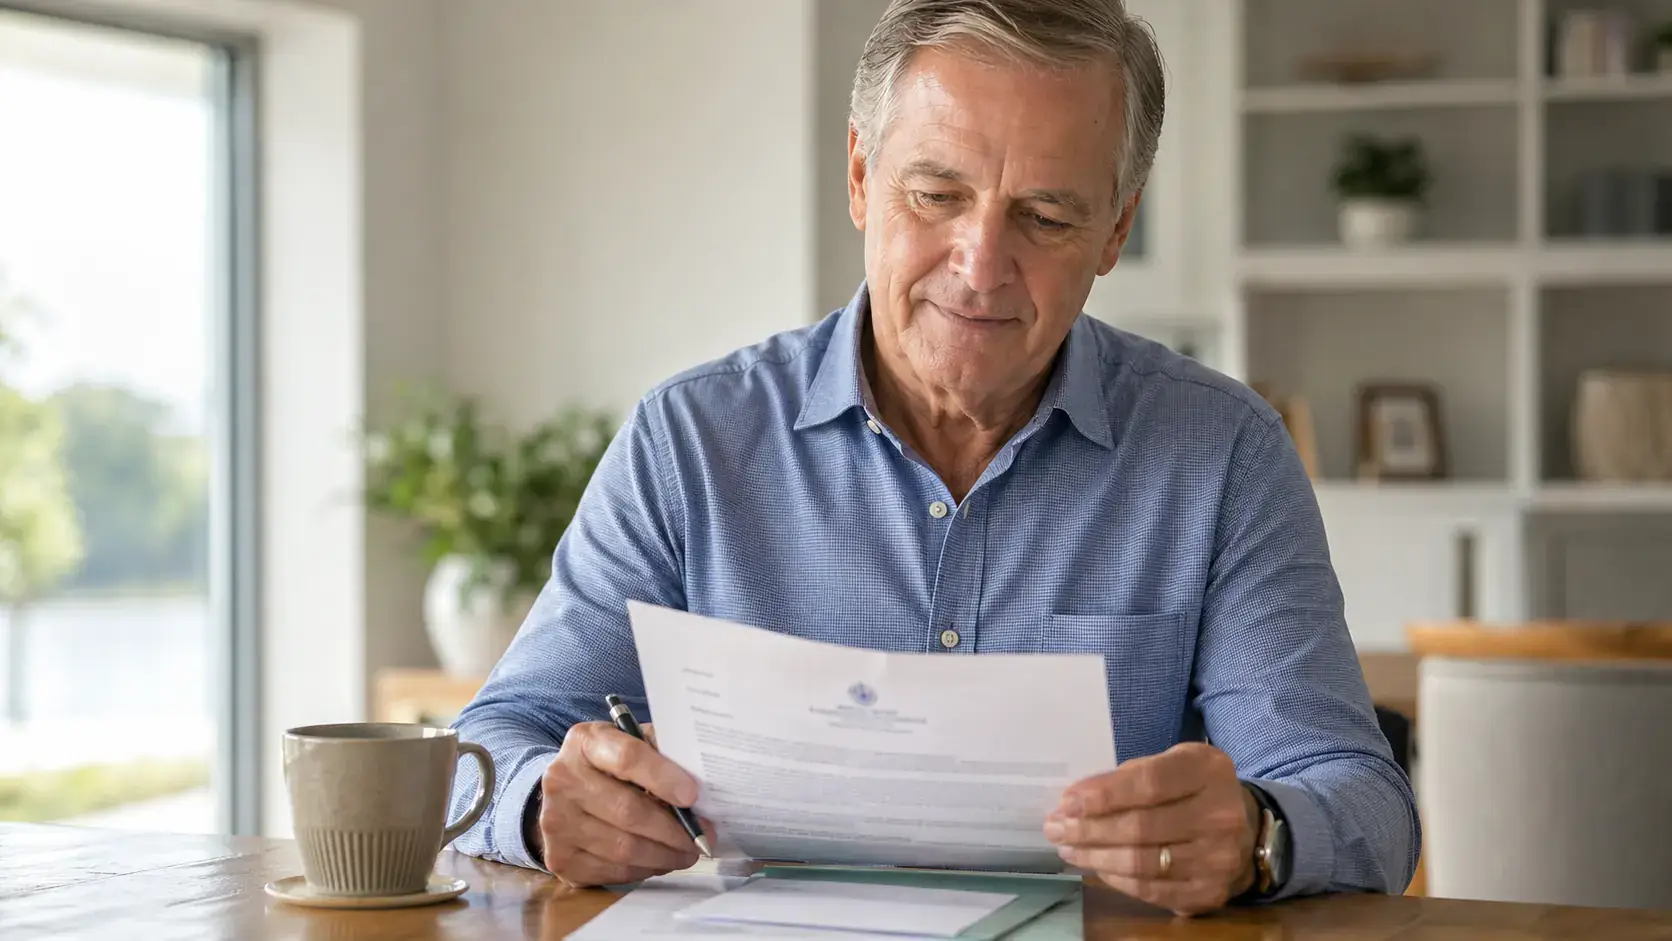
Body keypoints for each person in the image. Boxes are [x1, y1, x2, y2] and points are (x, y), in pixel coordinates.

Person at [447, 0, 1419, 917]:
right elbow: (487, 744)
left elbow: (1359, 798)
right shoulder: (690, 442)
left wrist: (1258, 833)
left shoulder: (1222, 453)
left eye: (1044, 217)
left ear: (1116, 228)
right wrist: (544, 806)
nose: (980, 263)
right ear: (862, 176)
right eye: (936, 193)